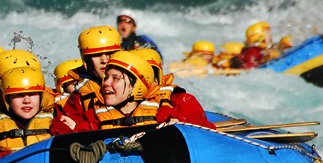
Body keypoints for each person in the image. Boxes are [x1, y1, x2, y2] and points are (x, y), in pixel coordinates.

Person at [59, 51, 213, 131]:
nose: (105, 83)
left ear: (136, 86)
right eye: (106, 77)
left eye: (115, 78)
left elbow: (206, 133)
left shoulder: (165, 112)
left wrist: (182, 126)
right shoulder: (95, 115)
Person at [59, 26, 123, 125]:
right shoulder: (77, 96)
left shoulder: (135, 83)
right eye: (97, 55)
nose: (104, 60)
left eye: (110, 53)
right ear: (86, 60)